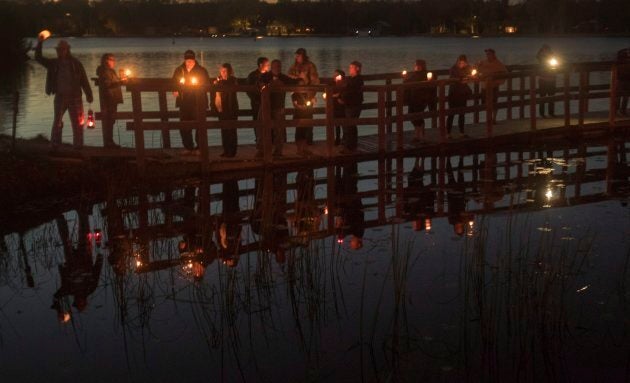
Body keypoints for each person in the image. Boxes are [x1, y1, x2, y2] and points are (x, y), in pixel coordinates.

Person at [34, 36, 93, 150]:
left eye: (62, 49)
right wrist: (40, 43)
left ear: (67, 50)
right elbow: (38, 58)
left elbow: (84, 80)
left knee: (78, 122)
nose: (60, 51)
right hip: (60, 96)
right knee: (57, 121)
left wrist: (89, 94)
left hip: (75, 97)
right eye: (58, 49)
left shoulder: (76, 64)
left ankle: (78, 145)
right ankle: (54, 144)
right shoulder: (53, 63)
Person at [256, 59, 301, 157]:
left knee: (279, 130)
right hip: (265, 106)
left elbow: (293, 82)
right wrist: (267, 85)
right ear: (271, 67)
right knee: (261, 127)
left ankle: (278, 151)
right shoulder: (265, 76)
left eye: (279, 66)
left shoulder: (283, 77)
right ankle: (261, 150)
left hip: (278, 106)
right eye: (276, 66)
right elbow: (259, 83)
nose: (277, 68)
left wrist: (300, 80)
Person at [172, 50, 211, 153]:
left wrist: (198, 87)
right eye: (187, 60)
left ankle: (200, 148)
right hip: (183, 102)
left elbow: (207, 84)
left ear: (194, 60)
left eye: (190, 60)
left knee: (200, 125)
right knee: (184, 126)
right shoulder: (179, 70)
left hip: (198, 102)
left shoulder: (201, 70)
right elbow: (173, 82)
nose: (188, 62)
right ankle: (189, 148)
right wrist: (175, 90)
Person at [289, 48, 320, 155]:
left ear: (303, 56)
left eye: (299, 56)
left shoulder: (310, 66)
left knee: (308, 120)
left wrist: (311, 96)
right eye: (296, 56)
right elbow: (289, 80)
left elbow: (315, 81)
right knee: (299, 121)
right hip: (297, 96)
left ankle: (308, 143)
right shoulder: (293, 67)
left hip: (308, 96)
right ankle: (299, 146)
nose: (297, 57)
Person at [96, 53, 126, 148]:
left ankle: (109, 141)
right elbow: (107, 85)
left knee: (111, 120)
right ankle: (109, 142)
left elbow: (113, 82)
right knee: (109, 120)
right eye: (112, 60)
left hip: (112, 99)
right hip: (109, 99)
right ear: (106, 61)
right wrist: (120, 82)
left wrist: (120, 79)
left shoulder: (110, 71)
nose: (114, 62)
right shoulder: (105, 71)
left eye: (114, 60)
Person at [404, 59, 437, 142]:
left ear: (422, 66)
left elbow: (432, 85)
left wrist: (429, 81)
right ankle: (417, 134)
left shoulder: (426, 74)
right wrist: (405, 79)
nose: (417, 67)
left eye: (418, 65)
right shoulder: (413, 75)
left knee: (419, 116)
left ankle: (420, 135)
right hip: (412, 99)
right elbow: (407, 83)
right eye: (416, 65)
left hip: (422, 99)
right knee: (411, 115)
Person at [212, 63, 239, 157]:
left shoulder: (232, 80)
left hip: (231, 108)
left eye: (225, 71)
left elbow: (230, 85)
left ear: (229, 72)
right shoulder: (218, 81)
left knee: (231, 130)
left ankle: (232, 151)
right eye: (222, 71)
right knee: (224, 130)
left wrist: (218, 82)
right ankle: (226, 150)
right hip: (221, 109)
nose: (223, 73)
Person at [477, 48, 508, 124]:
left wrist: (499, 82)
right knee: (485, 103)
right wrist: (477, 66)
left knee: (494, 103)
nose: (488, 55)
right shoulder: (483, 62)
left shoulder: (498, 63)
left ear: (493, 54)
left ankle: (494, 119)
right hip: (484, 86)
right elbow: (477, 71)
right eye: (487, 54)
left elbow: (505, 73)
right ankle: (488, 118)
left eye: (489, 54)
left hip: (494, 86)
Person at [339, 61, 364, 153]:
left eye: (351, 67)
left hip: (354, 105)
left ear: (357, 68)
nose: (349, 69)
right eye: (349, 67)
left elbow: (352, 92)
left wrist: (343, 99)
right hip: (350, 104)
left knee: (350, 124)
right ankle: (351, 145)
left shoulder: (357, 79)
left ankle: (350, 146)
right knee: (351, 125)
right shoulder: (351, 79)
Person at [447, 55, 473, 139]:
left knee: (462, 114)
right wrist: (462, 78)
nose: (462, 64)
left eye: (463, 62)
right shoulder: (453, 69)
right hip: (454, 93)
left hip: (463, 94)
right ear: (457, 61)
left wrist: (472, 75)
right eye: (460, 62)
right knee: (451, 114)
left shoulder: (467, 68)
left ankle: (461, 132)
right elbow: (454, 78)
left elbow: (471, 73)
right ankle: (448, 133)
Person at [246, 57, 270, 141]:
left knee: (267, 122)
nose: (268, 66)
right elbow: (248, 90)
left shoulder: (269, 75)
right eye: (267, 65)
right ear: (261, 65)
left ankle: (267, 142)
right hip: (256, 104)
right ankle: (259, 141)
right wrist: (256, 100)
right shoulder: (252, 76)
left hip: (267, 103)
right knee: (257, 122)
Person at [536, 44, 557, 117]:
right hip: (543, 80)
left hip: (551, 79)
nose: (546, 51)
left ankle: (551, 113)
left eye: (547, 49)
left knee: (551, 97)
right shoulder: (541, 57)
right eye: (545, 49)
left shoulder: (552, 56)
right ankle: (542, 114)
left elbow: (556, 65)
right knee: (543, 97)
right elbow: (538, 57)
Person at [331, 69, 346, 145]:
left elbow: (343, 94)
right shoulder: (332, 84)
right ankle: (337, 139)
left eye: (336, 75)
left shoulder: (343, 84)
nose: (334, 76)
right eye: (334, 75)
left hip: (342, 106)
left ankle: (344, 138)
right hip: (334, 106)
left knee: (343, 122)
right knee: (336, 124)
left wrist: (336, 96)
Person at [617, 48, 630, 116]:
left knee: (624, 95)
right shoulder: (621, 60)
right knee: (622, 95)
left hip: (624, 79)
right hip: (622, 79)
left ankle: (620, 110)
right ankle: (621, 110)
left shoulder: (619, 60)